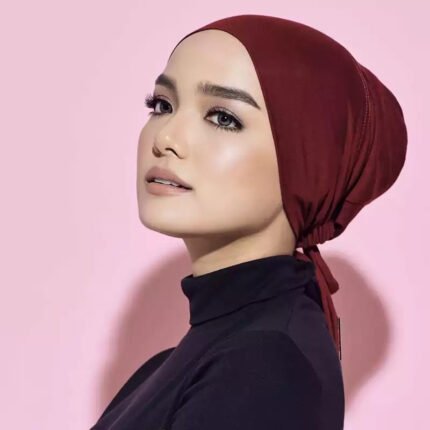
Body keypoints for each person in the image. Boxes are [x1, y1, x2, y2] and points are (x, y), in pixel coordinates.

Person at [90, 14, 407, 430]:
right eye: (162, 105)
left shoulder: (263, 367)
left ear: (307, 164)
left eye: (223, 117)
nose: (165, 137)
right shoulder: (190, 363)